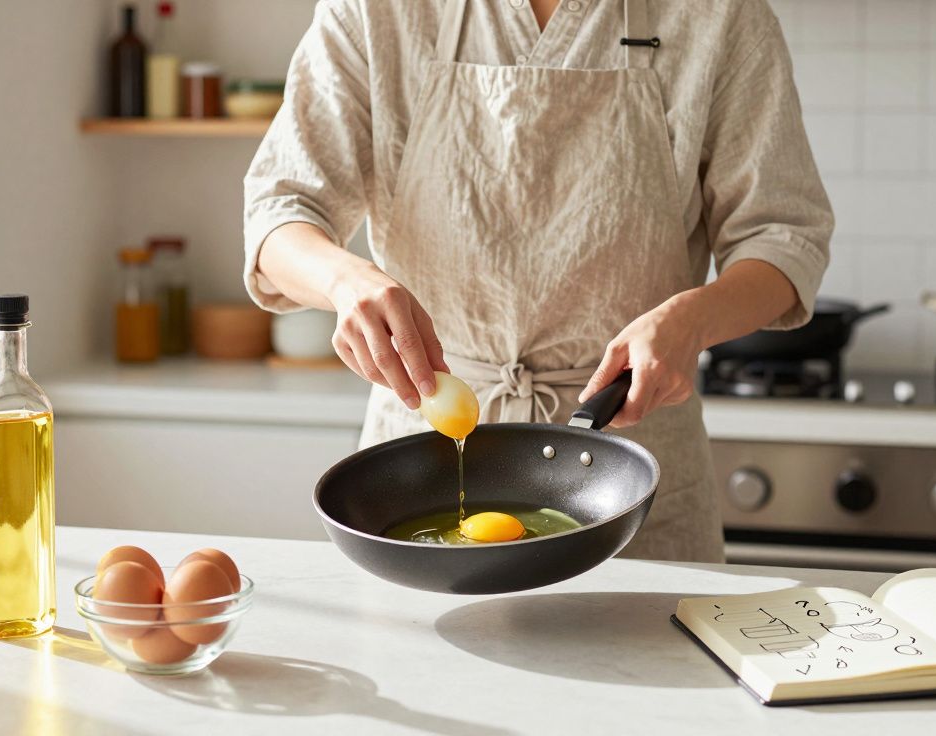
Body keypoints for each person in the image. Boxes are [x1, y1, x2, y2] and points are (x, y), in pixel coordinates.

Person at [243, 0, 833, 562]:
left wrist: (692, 320)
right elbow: (279, 211)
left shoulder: (721, 15)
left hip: (632, 467)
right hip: (419, 466)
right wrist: (346, 280)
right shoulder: (377, 11)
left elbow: (783, 238)